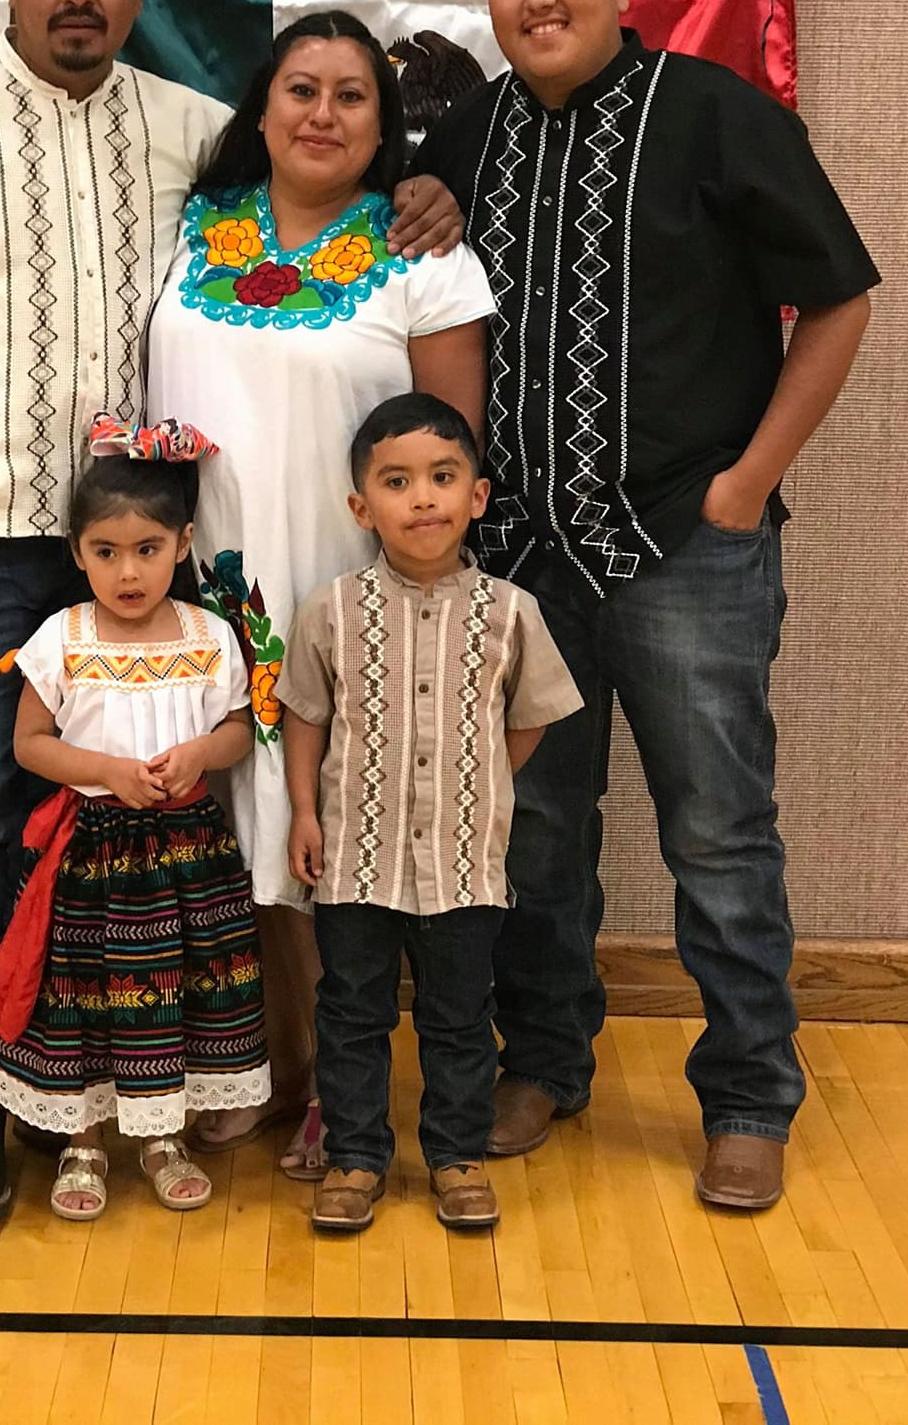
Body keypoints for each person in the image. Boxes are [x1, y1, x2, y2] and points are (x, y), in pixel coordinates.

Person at [0, 0, 461, 1223]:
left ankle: (148, 1075)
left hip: (154, 551)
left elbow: (319, 175)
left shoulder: (194, 133)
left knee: (173, 811)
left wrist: (421, 187)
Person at [411, 0, 879, 1211]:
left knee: (719, 833)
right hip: (522, 561)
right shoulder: (467, 130)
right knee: (538, 831)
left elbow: (838, 297)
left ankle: (747, 1093)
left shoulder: (717, 112)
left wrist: (747, 485)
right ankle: (544, 1061)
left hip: (691, 546)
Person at [146, 12, 495, 1177]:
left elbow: (449, 448)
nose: (322, 114)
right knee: (221, 822)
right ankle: (262, 1057)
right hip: (200, 582)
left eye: (353, 96)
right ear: (259, 107)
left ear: (384, 127)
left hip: (349, 589)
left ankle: (334, 1087)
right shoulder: (189, 230)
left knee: (329, 829)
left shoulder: (425, 254)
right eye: (301, 88)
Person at [276, 394, 582, 1232]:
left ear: (476, 496)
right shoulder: (328, 611)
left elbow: (529, 718)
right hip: (352, 861)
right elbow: (304, 712)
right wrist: (306, 811)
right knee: (352, 1011)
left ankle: (454, 1152)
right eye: (398, 481)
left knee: (458, 1015)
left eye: (443, 478)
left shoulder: (511, 612)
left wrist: (478, 784)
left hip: (464, 864)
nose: (423, 499)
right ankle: (355, 1154)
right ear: (361, 505)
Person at [0, 417, 266, 1220]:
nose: (127, 570)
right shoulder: (62, 639)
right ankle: (85, 1141)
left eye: (147, 548)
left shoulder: (209, 636)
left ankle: (162, 1133)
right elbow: (30, 744)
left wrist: (200, 754)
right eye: (105, 551)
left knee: (173, 990)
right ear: (77, 553)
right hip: (91, 858)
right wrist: (106, 771)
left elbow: (242, 729)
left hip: (188, 854)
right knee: (90, 997)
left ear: (183, 543)